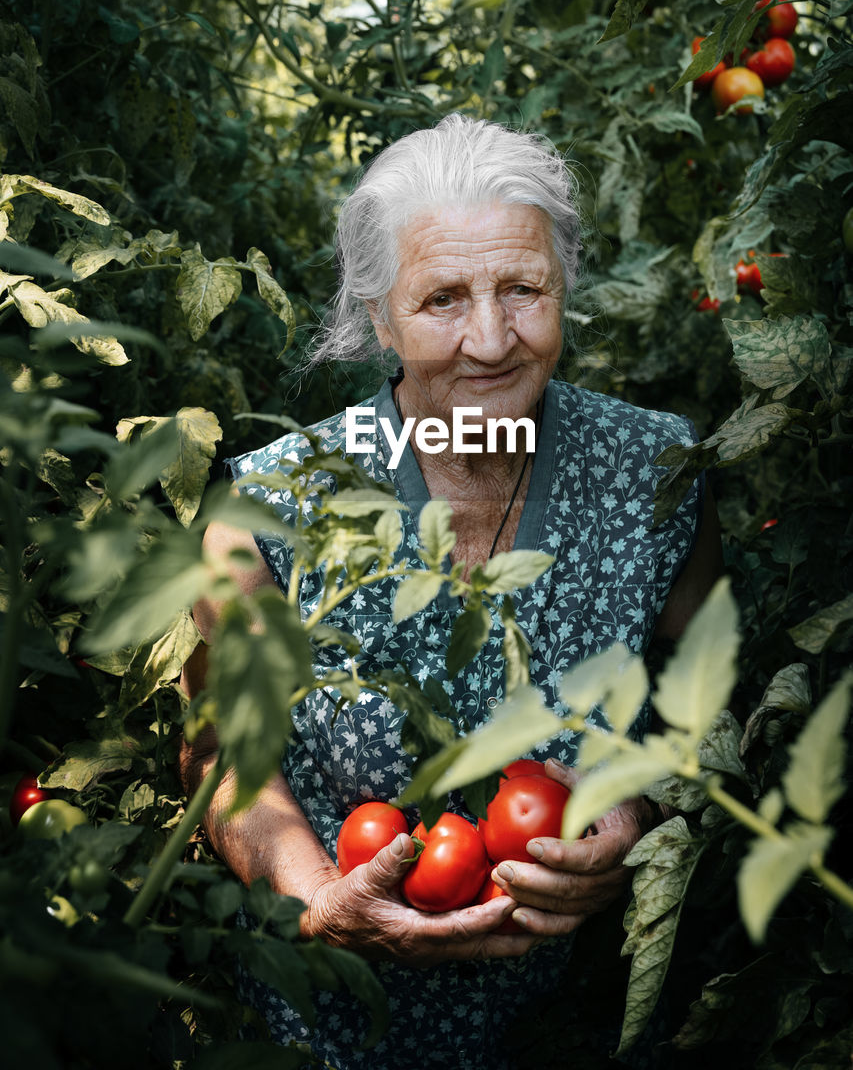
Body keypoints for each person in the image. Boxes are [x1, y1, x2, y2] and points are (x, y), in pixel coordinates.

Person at [181, 115, 723, 1068]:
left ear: (565, 294)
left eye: (525, 289)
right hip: (332, 1028)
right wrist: (316, 897)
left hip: (577, 1026)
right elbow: (219, 751)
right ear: (378, 318)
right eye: (441, 299)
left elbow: (708, 708)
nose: (489, 339)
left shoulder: (657, 473)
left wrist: (638, 816)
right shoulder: (271, 505)